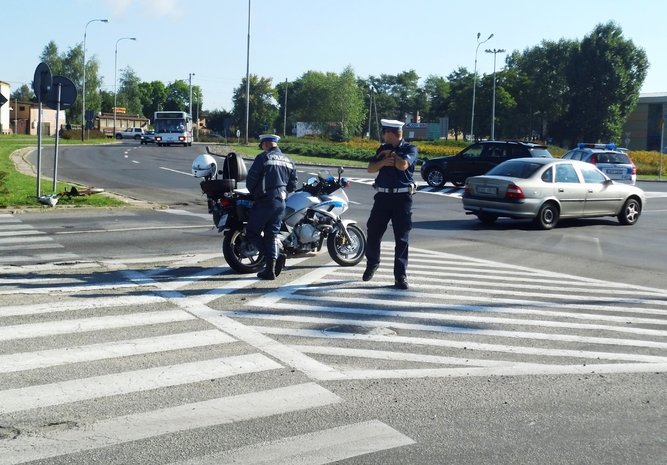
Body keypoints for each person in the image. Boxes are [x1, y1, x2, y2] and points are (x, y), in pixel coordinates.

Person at [363, 119, 418, 290]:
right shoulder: (382, 149)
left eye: (385, 133)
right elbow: (370, 169)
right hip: (383, 197)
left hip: (402, 198)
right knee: (373, 231)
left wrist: (393, 156)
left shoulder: (410, 149)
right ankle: (372, 262)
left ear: (391, 133)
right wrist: (382, 161)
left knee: (401, 238)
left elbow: (403, 166)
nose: (383, 136)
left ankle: (400, 276)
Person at [245, 134, 298, 280]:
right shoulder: (289, 161)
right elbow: (293, 185)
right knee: (271, 235)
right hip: (281, 202)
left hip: (265, 201)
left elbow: (251, 179)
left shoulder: (264, 158)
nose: (262, 147)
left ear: (267, 144)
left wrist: (254, 193)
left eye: (262, 144)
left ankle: (276, 256)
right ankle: (270, 270)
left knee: (252, 233)